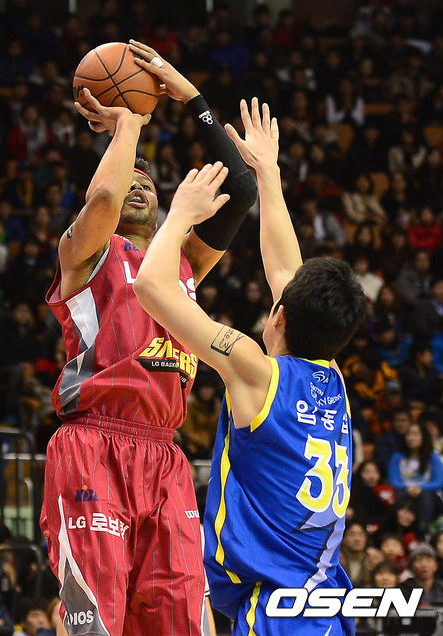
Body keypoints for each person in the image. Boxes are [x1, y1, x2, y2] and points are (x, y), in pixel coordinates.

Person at [40, 40, 256, 636]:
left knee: (181, 622)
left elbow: (240, 189)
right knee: (96, 621)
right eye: (129, 173)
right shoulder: (84, 253)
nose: (138, 183)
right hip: (93, 444)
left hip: (165, 455)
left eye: (149, 180)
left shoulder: (182, 261)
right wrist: (129, 125)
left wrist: (190, 96)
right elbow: (105, 196)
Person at [134, 98, 366, 634]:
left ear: (277, 316)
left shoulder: (253, 368)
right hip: (323, 600)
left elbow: (149, 287)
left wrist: (181, 215)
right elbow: (286, 270)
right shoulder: (334, 378)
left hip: (277, 608)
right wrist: (268, 174)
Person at [388, 421, 443, 534]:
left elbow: (439, 482)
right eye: (408, 434)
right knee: (398, 497)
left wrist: (420, 488)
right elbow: (394, 481)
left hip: (429, 496)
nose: (411, 438)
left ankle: (423, 529)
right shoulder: (397, 457)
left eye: (415, 434)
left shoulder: (432, 457)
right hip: (405, 493)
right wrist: (408, 488)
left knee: (424, 496)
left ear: (423, 437)